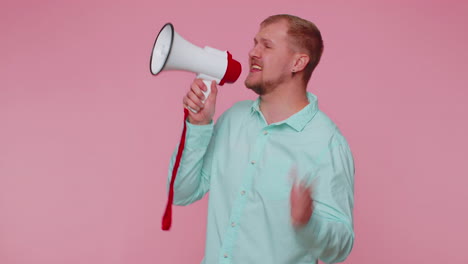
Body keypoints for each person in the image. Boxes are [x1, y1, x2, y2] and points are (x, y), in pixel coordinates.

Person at [169, 14, 355, 264]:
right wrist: (198, 125)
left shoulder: (327, 143)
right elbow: (181, 192)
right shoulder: (234, 118)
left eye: (266, 46)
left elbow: (340, 249)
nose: (252, 52)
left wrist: (309, 224)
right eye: (254, 43)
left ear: (298, 63)